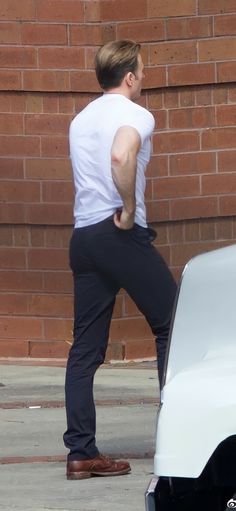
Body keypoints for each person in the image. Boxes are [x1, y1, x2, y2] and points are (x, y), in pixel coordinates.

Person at [64, 40, 177, 480]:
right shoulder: (135, 114)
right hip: (117, 233)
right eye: (142, 72)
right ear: (129, 77)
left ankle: (81, 452)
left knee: (85, 349)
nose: (143, 79)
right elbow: (120, 154)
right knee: (172, 325)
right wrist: (129, 210)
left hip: (83, 239)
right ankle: (176, 435)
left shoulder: (79, 120)